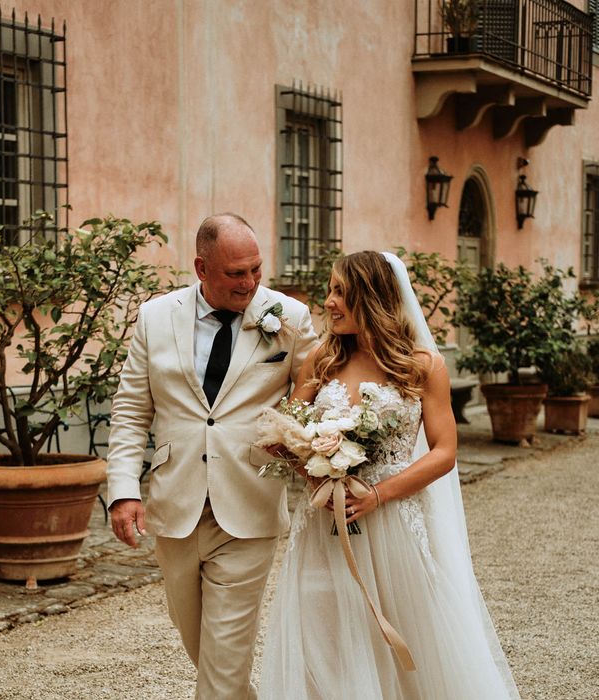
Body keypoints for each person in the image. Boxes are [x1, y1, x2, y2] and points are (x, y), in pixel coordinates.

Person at [258, 251, 521, 699]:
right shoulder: (322, 359)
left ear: (373, 297)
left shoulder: (422, 364)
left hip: (394, 521)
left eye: (341, 291)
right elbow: (283, 430)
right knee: (325, 628)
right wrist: (316, 468)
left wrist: (377, 494)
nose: (330, 302)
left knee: (406, 629)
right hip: (327, 522)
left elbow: (444, 452)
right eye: (330, 290)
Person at [107, 213, 317, 699]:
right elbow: (131, 410)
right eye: (235, 274)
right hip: (174, 505)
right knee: (206, 650)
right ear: (201, 268)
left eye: (256, 270)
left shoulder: (290, 318)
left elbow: (317, 398)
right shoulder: (155, 317)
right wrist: (122, 491)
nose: (250, 284)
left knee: (222, 664)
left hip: (248, 507)